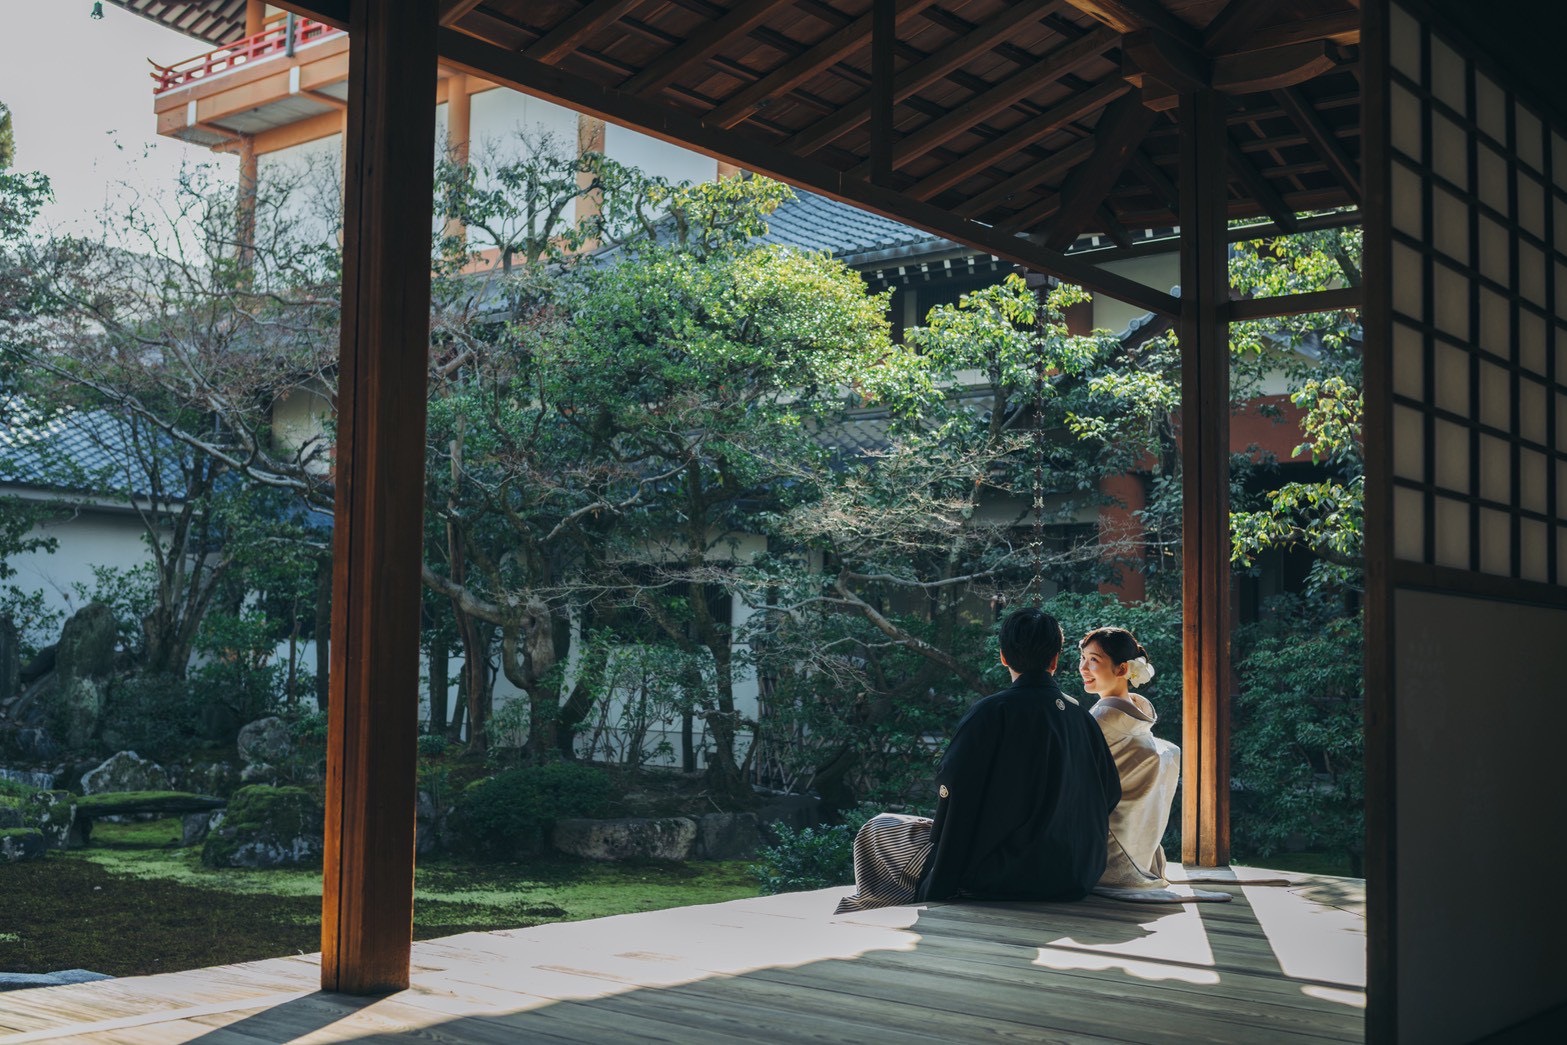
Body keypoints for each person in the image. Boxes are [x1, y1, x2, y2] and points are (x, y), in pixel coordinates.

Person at [835, 608, 1121, 914]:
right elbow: (1110, 793)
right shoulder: (1081, 718)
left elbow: (953, 785)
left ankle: (868, 910)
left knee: (879, 829)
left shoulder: (992, 711)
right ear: (1054, 660)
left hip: (999, 873)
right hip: (1073, 876)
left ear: (1003, 657)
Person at [1077, 626, 1178, 894]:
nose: (1083, 667)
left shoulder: (1102, 718)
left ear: (1122, 670)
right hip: (1130, 840)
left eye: (1093, 660)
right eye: (1082, 658)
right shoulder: (1136, 710)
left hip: (1104, 844)